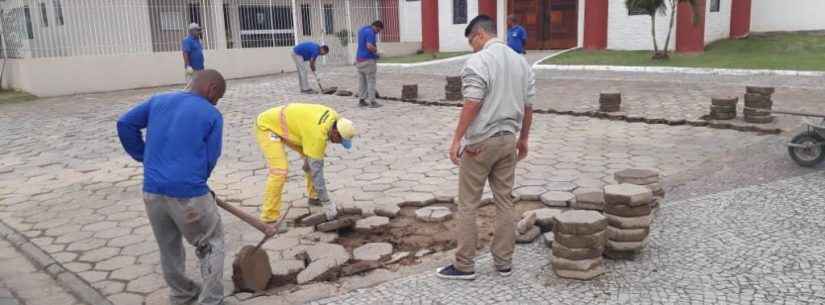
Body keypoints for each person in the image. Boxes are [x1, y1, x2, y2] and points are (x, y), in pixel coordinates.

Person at [436, 15, 535, 281]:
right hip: (507, 141)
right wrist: (523, 139)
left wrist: (457, 139)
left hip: (480, 144)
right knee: (505, 200)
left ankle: (464, 265)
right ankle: (504, 261)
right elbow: (528, 107)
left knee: (468, 203)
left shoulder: (478, 61)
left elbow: (472, 102)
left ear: (480, 35)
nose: (472, 48)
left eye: (472, 42)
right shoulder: (521, 62)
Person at [117, 70, 227, 304]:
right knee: (211, 243)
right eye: (218, 97)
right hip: (188, 193)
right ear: (212, 90)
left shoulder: (158, 101)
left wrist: (143, 155)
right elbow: (211, 157)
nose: (217, 102)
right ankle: (211, 300)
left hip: (152, 192)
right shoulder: (211, 114)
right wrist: (198, 182)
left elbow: (125, 123)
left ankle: (182, 295)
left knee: (169, 247)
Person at [254, 103, 357, 233]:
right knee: (280, 170)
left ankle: (314, 197)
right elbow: (317, 171)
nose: (338, 143)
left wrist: (312, 162)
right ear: (335, 132)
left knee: (312, 159)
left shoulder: (335, 119)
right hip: (268, 126)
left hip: (293, 128)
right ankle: (269, 219)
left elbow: (314, 162)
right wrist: (327, 202)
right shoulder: (318, 135)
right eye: (340, 141)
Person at [355, 20, 384, 108]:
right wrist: (376, 52)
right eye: (378, 30)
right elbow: (369, 46)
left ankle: (362, 100)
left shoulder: (362, 30)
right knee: (371, 81)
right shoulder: (371, 32)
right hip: (368, 60)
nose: (377, 33)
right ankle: (372, 101)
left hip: (359, 59)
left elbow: (362, 45)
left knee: (362, 81)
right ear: (376, 27)